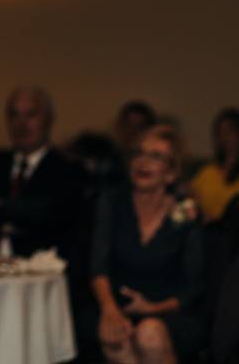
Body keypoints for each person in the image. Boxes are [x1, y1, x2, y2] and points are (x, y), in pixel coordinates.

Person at [90, 125, 206, 364]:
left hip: (170, 312)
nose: (143, 162)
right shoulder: (113, 202)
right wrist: (109, 310)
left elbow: (194, 288)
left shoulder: (185, 212)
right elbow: (97, 266)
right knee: (116, 336)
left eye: (155, 156)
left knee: (149, 333)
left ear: (171, 173)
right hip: (119, 308)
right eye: (138, 154)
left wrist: (152, 309)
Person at [0, 86, 88, 259]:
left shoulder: (69, 172)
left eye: (31, 115)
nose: (21, 124)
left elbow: (60, 227)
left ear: (48, 120)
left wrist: (0, 213)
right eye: (14, 115)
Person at [191, 108, 239, 223]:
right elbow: (190, 201)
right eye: (220, 133)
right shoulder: (207, 172)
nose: (225, 137)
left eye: (230, 131)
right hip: (205, 231)